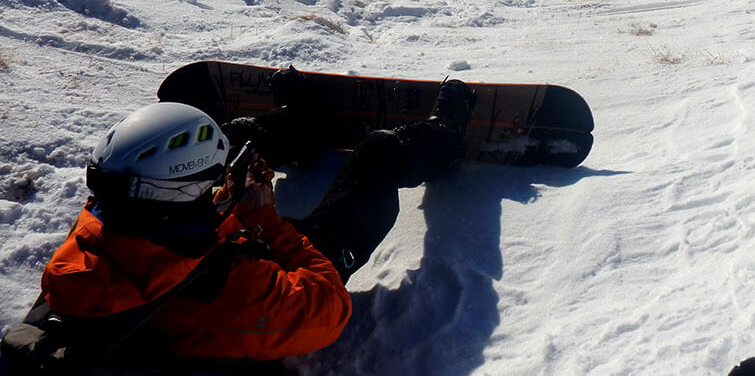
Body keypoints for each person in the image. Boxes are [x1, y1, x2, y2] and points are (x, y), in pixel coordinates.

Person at [5, 76, 475, 372]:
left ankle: (299, 129)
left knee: (234, 145)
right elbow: (330, 310)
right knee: (376, 157)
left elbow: (168, 221)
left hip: (199, 253)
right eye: (211, 185)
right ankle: (444, 140)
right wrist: (262, 217)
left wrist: (216, 201)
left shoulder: (100, 224)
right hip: (281, 273)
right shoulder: (232, 292)